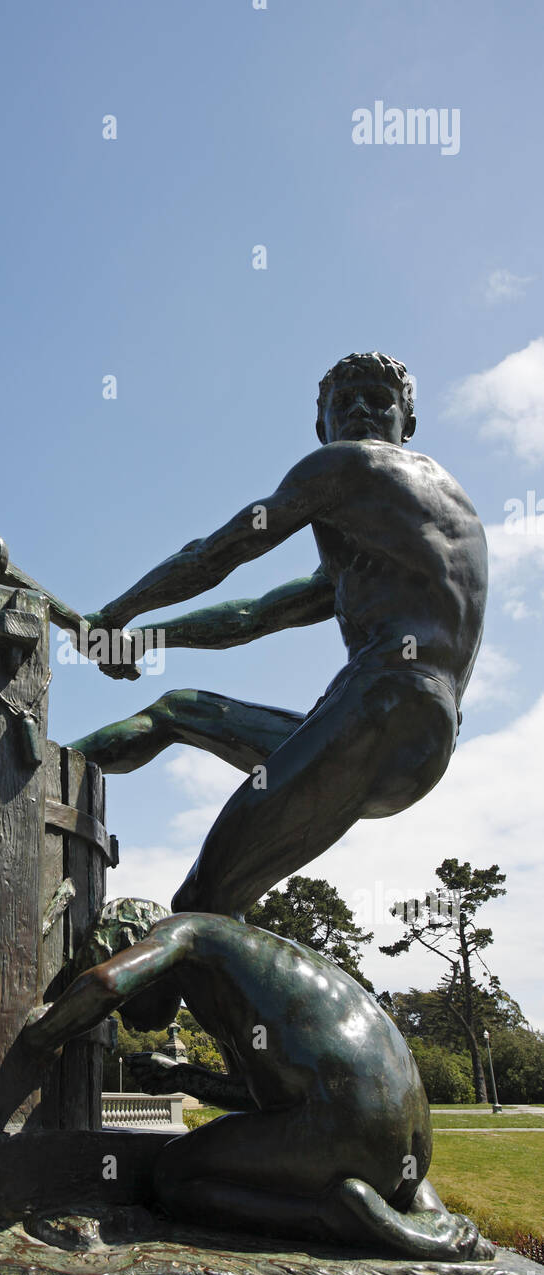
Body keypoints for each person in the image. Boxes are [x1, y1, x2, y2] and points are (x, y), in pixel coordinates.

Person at [72, 353, 487, 917]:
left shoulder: (345, 465)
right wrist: (145, 637)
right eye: (345, 402)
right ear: (323, 422)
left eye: (377, 398)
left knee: (203, 902)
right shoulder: (409, 527)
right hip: (419, 742)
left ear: (406, 422)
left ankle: (22, 788)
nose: (360, 409)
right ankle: (51, 770)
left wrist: (116, 614)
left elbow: (219, 552)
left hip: (379, 701)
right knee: (178, 712)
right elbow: (260, 614)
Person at [0, 906, 492, 1262]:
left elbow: (108, 984)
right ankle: (425, 1217)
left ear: (135, 947)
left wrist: (36, 1042)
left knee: (175, 1176)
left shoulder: (184, 934)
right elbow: (270, 1099)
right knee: (350, 1133)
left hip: (339, 1134)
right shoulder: (249, 962)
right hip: (404, 1150)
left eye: (128, 1010)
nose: (127, 1020)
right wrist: (186, 1079)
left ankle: (332, 1214)